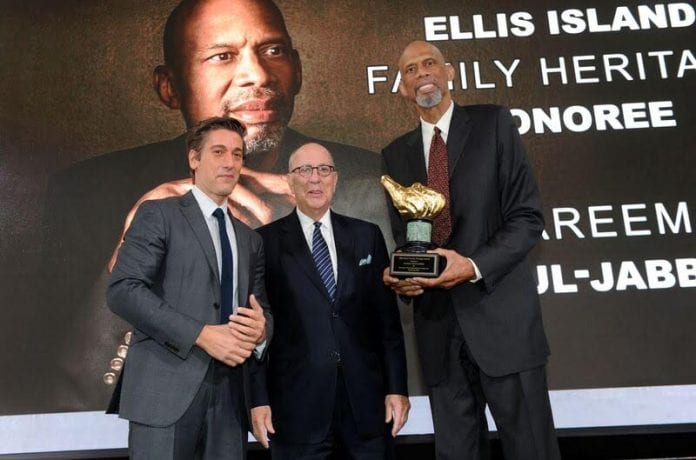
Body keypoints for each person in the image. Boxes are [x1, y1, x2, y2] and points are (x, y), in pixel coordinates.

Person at [39, 0, 407, 412]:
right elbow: (69, 394)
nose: (257, 74)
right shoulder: (85, 195)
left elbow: (395, 337)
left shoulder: (371, 181)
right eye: (222, 56)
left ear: (299, 70)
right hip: (181, 418)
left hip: (312, 415)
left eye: (273, 51)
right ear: (169, 87)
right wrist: (132, 244)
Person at [381, 41, 560, 459]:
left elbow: (528, 218)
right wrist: (403, 277)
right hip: (438, 330)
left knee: (531, 447)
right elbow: (408, 238)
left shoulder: (493, 123)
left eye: (430, 63)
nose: (422, 73)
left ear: (449, 73)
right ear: (403, 89)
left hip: (503, 324)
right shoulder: (395, 155)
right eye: (410, 69)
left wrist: (473, 265)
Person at [107, 116, 271, 458]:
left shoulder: (250, 239)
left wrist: (261, 330)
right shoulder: (159, 214)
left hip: (230, 399)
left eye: (238, 154)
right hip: (163, 392)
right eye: (219, 152)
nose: (230, 162)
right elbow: (124, 289)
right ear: (194, 159)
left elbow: (263, 309)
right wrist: (201, 334)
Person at [250, 143, 410, 459]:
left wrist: (397, 388)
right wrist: (257, 398)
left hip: (366, 406)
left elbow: (388, 324)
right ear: (288, 181)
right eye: (304, 170)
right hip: (295, 410)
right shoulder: (262, 242)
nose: (315, 179)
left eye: (324, 170)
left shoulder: (367, 235)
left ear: (335, 179)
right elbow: (255, 327)